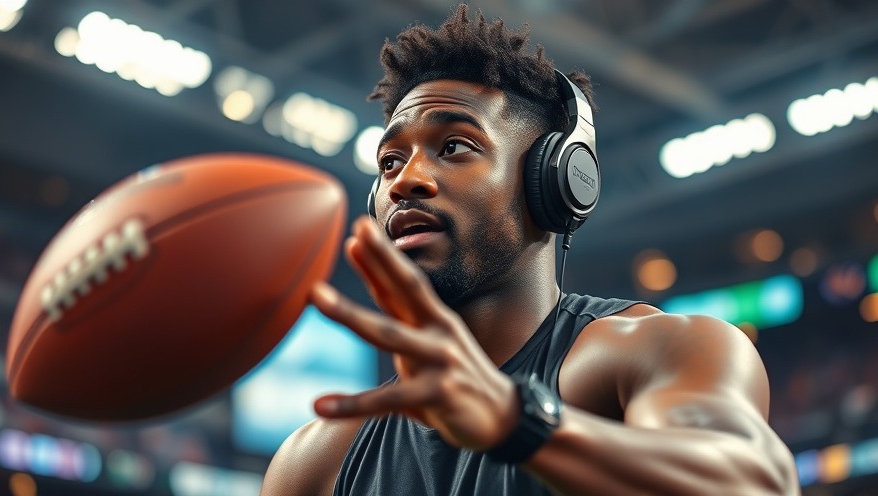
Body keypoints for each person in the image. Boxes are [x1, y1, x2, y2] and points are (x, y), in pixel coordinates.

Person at [261, 5, 800, 495]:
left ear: (553, 181)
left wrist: (513, 420)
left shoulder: (651, 353)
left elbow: (755, 482)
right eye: (390, 163)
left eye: (453, 147)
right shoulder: (315, 461)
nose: (406, 181)